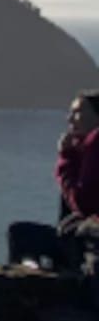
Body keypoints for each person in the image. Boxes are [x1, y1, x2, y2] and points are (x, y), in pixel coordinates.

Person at [56, 90, 99, 266]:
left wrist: (66, 157)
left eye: (77, 112)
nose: (70, 119)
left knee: (21, 235)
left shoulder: (95, 141)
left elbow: (82, 202)